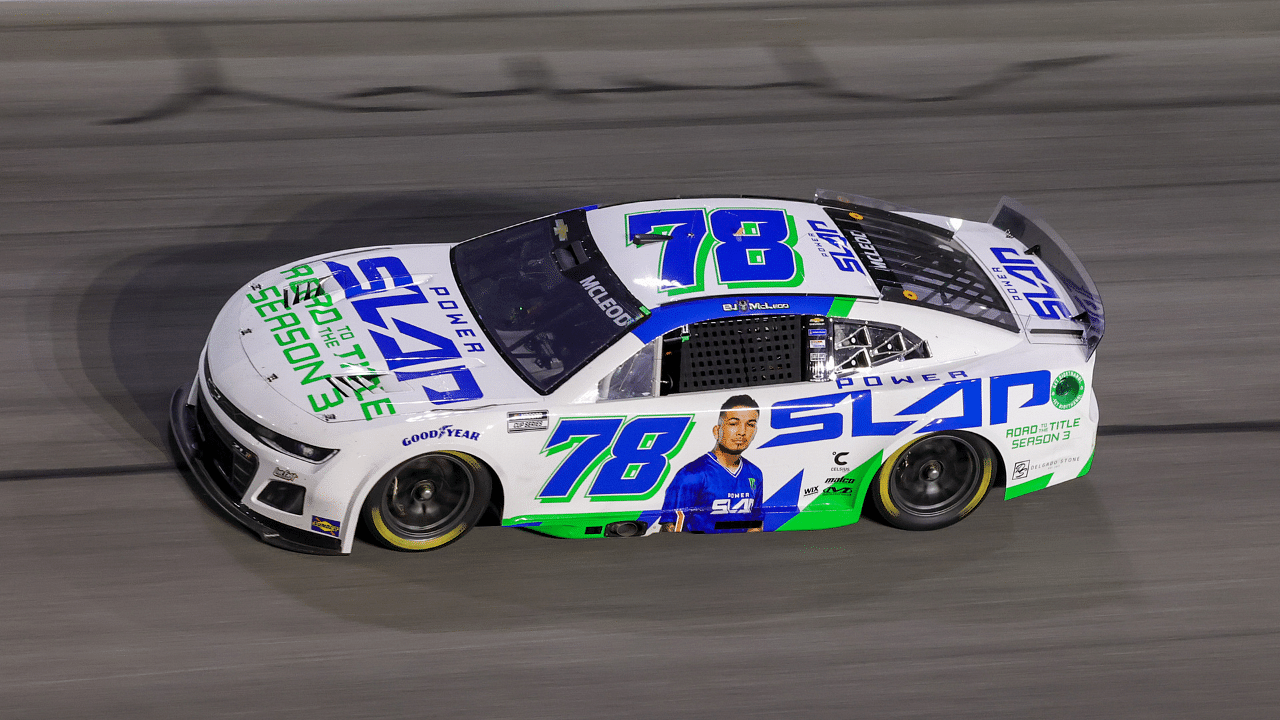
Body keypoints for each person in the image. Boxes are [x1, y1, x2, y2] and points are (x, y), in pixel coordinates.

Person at [659, 395, 765, 533]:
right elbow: (670, 530)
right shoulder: (691, 474)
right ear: (716, 431)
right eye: (733, 423)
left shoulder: (755, 473)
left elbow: (755, 525)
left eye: (750, 424)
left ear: (755, 431)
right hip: (701, 553)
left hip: (739, 553)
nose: (742, 432)